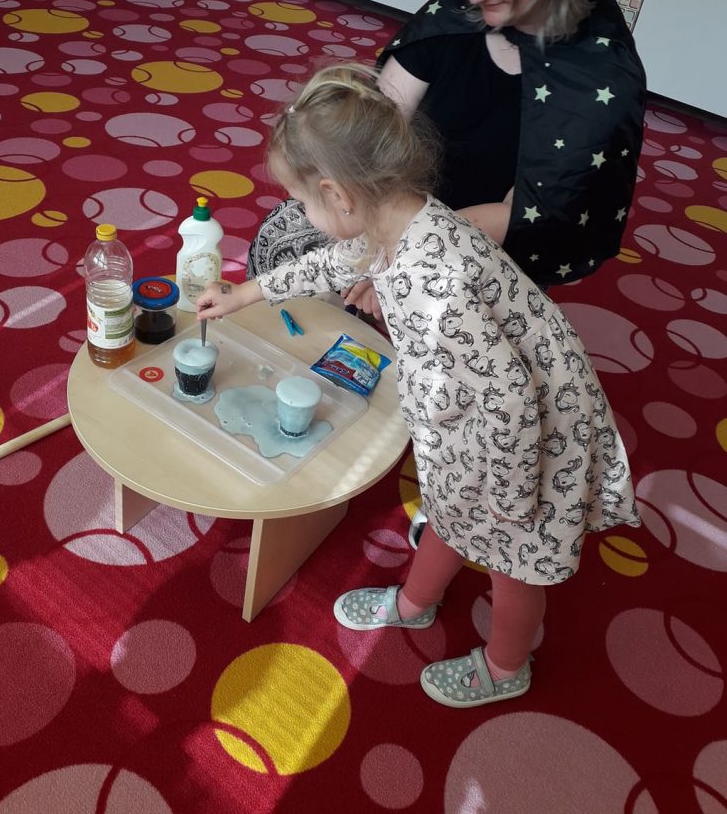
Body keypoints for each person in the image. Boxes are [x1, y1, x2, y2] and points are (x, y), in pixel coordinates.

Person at [197, 62, 640, 709]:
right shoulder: (393, 216)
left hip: (526, 434)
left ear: (338, 195)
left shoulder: (435, 282)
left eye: (302, 200)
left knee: (512, 564)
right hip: (475, 415)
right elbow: (330, 262)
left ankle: (506, 665)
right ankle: (415, 601)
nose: (302, 212)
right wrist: (243, 294)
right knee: (451, 508)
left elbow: (511, 400)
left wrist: (511, 497)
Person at [246, 0, 646, 318]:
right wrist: (372, 238)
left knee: (436, 315)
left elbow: (524, 210)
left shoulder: (594, 74)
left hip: (481, 237)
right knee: (283, 241)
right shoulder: (453, 18)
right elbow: (373, 130)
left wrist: (398, 258)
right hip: (388, 204)